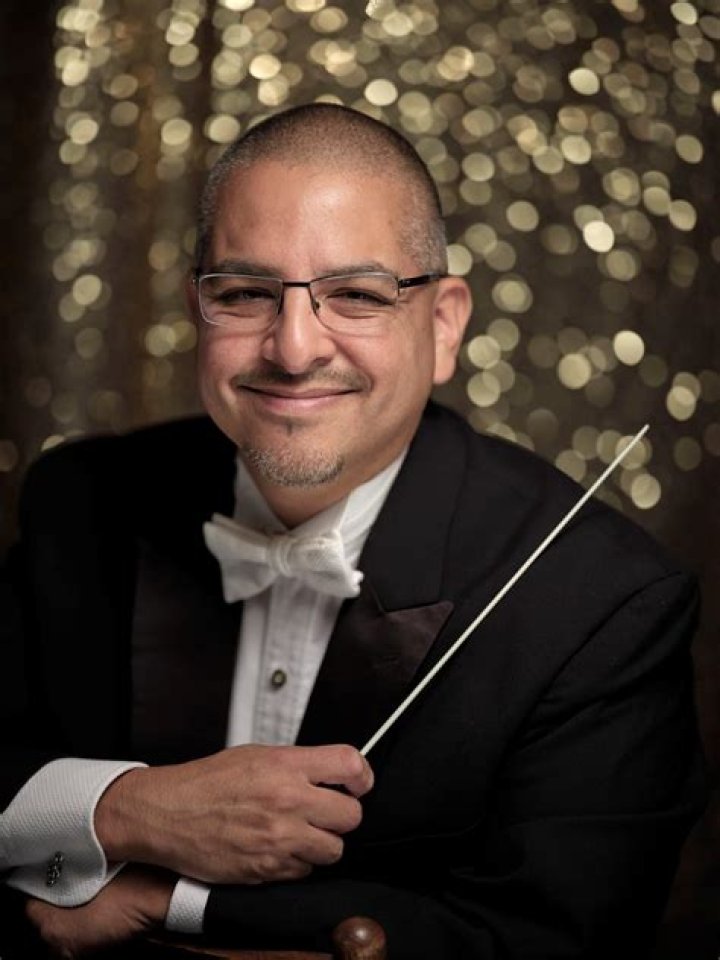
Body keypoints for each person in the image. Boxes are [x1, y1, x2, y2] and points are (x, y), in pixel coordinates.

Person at [0, 103, 706, 959]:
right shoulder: (80, 502)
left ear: (443, 326)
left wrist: (166, 898)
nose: (294, 349)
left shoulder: (605, 600)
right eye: (245, 293)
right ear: (197, 308)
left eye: (359, 296)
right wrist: (122, 811)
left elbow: (554, 941)